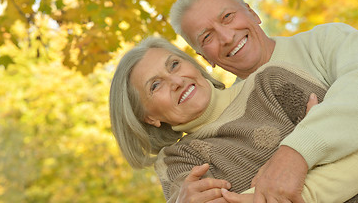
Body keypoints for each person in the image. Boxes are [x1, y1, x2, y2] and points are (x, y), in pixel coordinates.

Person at [169, 0, 358, 203]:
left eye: (227, 17)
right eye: (207, 37)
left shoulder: (325, 40)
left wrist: (295, 152)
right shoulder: (227, 126)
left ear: (253, 13)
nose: (227, 37)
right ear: (205, 58)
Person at [109, 36, 358, 203]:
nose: (176, 81)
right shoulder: (179, 161)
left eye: (174, 65)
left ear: (193, 65)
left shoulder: (272, 82)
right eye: (155, 85)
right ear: (149, 117)